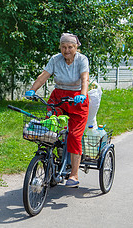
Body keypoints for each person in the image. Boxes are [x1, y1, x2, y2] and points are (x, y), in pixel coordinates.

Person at [25, 33, 89, 187]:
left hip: (77, 98)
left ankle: (74, 174)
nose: (66, 50)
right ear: (60, 47)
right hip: (58, 96)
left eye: (70, 47)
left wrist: (82, 94)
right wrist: (32, 90)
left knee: (74, 135)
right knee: (48, 127)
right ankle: (50, 163)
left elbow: (85, 78)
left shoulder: (82, 60)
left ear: (76, 47)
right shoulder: (55, 59)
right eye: (63, 47)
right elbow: (43, 76)